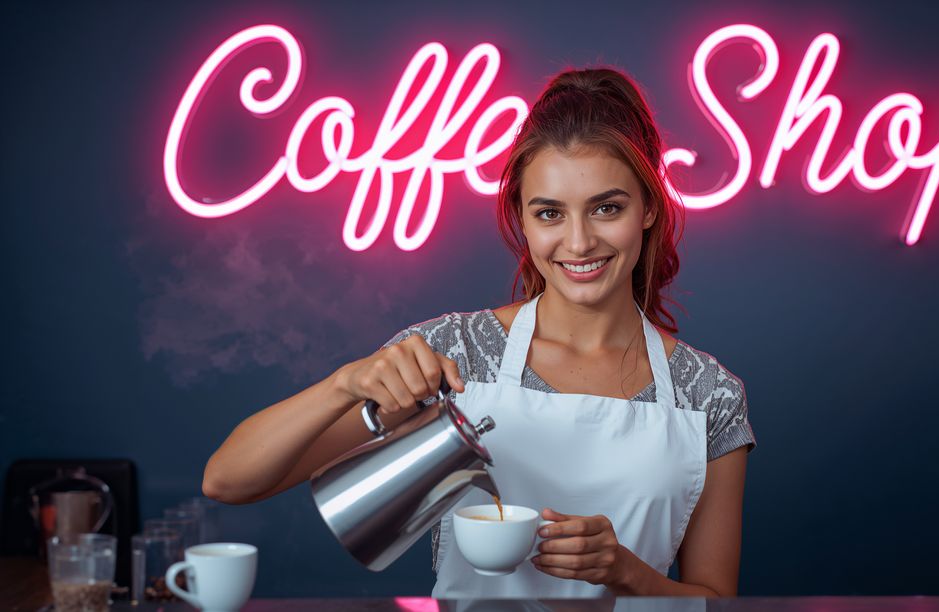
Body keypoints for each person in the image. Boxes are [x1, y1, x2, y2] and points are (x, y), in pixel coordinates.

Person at [202, 67, 756, 598]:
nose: (580, 242)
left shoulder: (709, 393)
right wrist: (345, 384)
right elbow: (229, 481)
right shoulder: (455, 355)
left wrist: (628, 575)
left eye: (606, 208)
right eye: (549, 214)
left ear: (649, 208)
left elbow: (715, 599)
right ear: (521, 216)